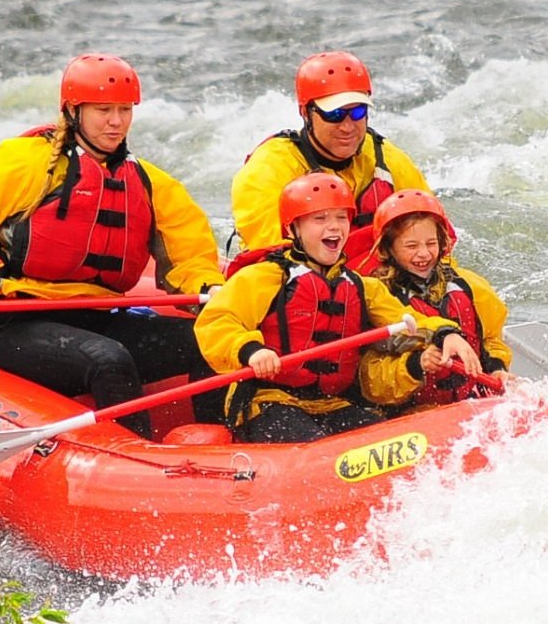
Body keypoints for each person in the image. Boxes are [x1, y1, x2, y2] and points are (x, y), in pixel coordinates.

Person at [0, 54, 226, 437]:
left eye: (124, 110)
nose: (116, 121)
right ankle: (136, 458)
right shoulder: (27, 164)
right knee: (109, 359)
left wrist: (210, 287)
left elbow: (191, 255)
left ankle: (222, 449)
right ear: (73, 111)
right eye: (103, 110)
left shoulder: (151, 183)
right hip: (21, 325)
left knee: (215, 341)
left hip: (100, 319)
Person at [196, 172, 480, 443]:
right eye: (320, 219)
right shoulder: (265, 277)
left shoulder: (360, 286)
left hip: (332, 404)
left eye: (341, 218)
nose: (334, 226)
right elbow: (217, 321)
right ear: (293, 228)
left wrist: (445, 334)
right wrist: (251, 350)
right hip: (268, 400)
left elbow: (409, 321)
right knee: (311, 445)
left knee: (389, 441)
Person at [229, 50, 431, 274]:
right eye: (333, 114)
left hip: (377, 281)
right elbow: (271, 257)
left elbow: (434, 234)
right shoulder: (267, 169)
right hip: (303, 283)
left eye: (357, 112)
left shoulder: (385, 158)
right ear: (306, 112)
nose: (347, 127)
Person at [370, 189, 514, 404]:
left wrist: (497, 369)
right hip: (414, 413)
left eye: (431, 243)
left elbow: (491, 340)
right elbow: (370, 380)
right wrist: (417, 363)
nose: (424, 254)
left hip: (472, 400)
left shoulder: (470, 285)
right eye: (411, 246)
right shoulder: (379, 298)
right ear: (386, 249)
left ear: (442, 242)